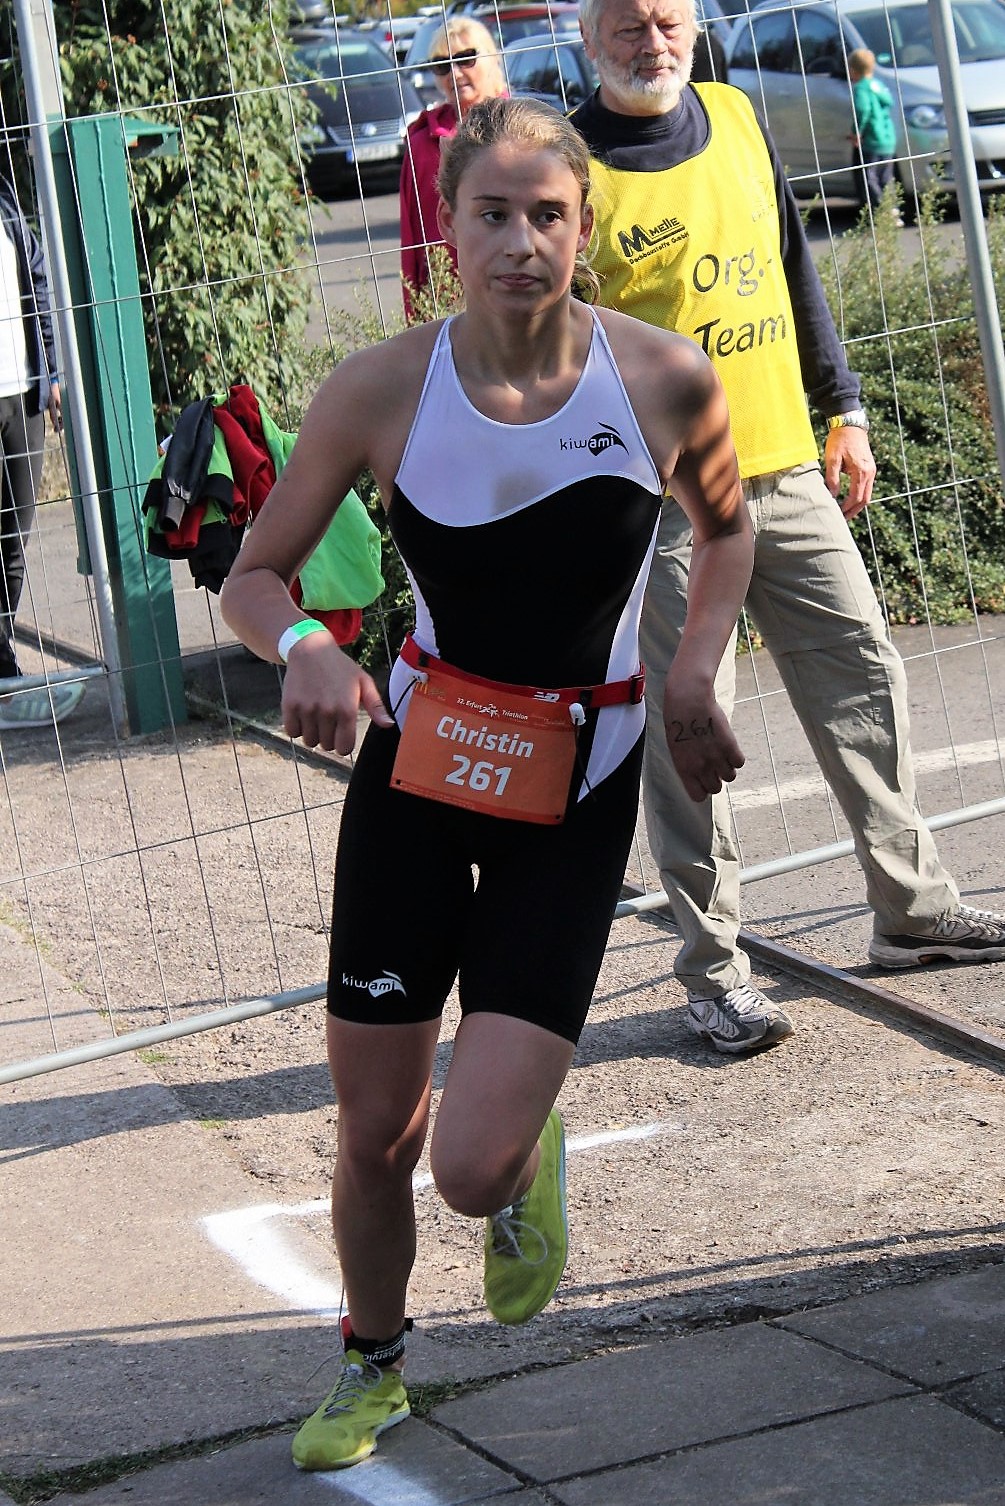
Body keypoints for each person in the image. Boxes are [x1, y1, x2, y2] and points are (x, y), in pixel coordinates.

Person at [221, 95, 753, 1471]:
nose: (521, 242)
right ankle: (372, 1364)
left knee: (466, 1167)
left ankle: (522, 1152)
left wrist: (694, 671)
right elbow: (253, 576)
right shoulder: (381, 388)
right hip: (418, 773)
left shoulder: (663, 378)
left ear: (586, 226)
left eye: (549, 215)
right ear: (446, 226)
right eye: (493, 214)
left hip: (576, 791)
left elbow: (729, 528)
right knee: (375, 1130)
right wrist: (308, 649)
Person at [571, 0, 1005, 1055]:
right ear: (587, 35)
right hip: (668, 507)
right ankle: (715, 970)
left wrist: (843, 407)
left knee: (862, 672)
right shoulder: (573, 167)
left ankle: (909, 911)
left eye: (666, 19)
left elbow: (792, 268)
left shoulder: (733, 115)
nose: (650, 42)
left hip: (785, 467)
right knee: (689, 731)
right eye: (626, 26)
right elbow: (558, 346)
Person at [0, 167, 80, 731]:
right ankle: (2, 675)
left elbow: (38, 280)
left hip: (21, 393)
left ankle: (1, 658)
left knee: (13, 538)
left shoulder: (4, 200)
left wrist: (50, 372)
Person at [399, 15, 506, 318]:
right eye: (442, 65)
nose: (455, 73)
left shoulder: (527, 127)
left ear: (492, 58)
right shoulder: (422, 144)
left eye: (465, 58)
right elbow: (412, 240)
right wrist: (417, 315)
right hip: (448, 300)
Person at [848, 47, 900, 218]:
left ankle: (880, 211)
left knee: (868, 177)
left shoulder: (861, 88)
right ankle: (892, 208)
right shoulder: (878, 85)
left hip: (872, 139)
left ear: (853, 70)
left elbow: (863, 110)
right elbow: (888, 103)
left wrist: (856, 132)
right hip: (887, 139)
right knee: (886, 176)